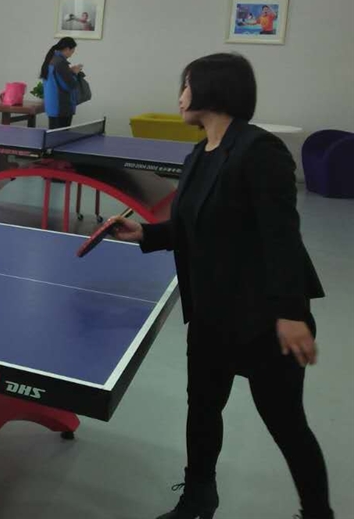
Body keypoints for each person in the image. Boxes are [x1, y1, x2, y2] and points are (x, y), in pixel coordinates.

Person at [110, 53, 332, 519]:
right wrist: (145, 233)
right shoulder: (199, 154)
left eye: (186, 86)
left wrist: (291, 313)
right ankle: (197, 498)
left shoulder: (260, 151)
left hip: (264, 319)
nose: (180, 96)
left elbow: (281, 236)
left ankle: (317, 512)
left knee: (286, 424)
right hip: (212, 313)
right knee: (203, 410)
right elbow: (193, 225)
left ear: (213, 90)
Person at [39, 37, 84, 129]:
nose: (71, 55)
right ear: (67, 49)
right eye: (72, 52)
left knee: (54, 135)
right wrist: (74, 73)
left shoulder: (51, 59)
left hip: (52, 105)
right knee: (61, 136)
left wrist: (69, 71)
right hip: (61, 107)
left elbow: (57, 79)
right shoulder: (60, 62)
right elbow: (69, 85)